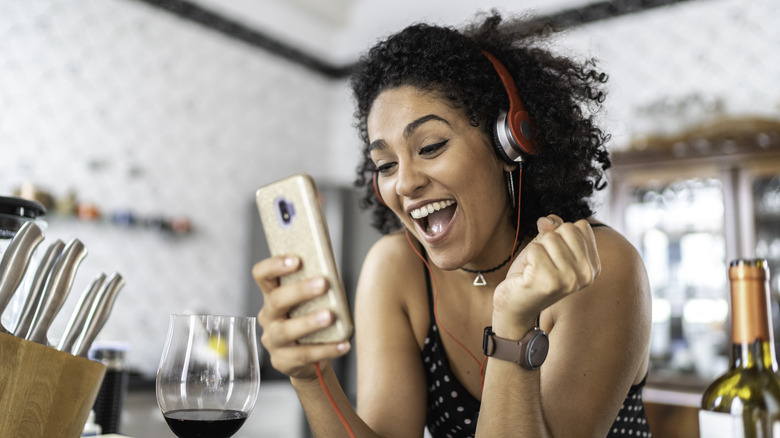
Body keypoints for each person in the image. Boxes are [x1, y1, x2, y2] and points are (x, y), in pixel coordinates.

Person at [253, 11, 652, 438]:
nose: (404, 183)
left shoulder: (594, 266)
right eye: (386, 164)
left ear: (508, 143)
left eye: (431, 146)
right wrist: (312, 378)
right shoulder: (397, 267)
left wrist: (513, 323)